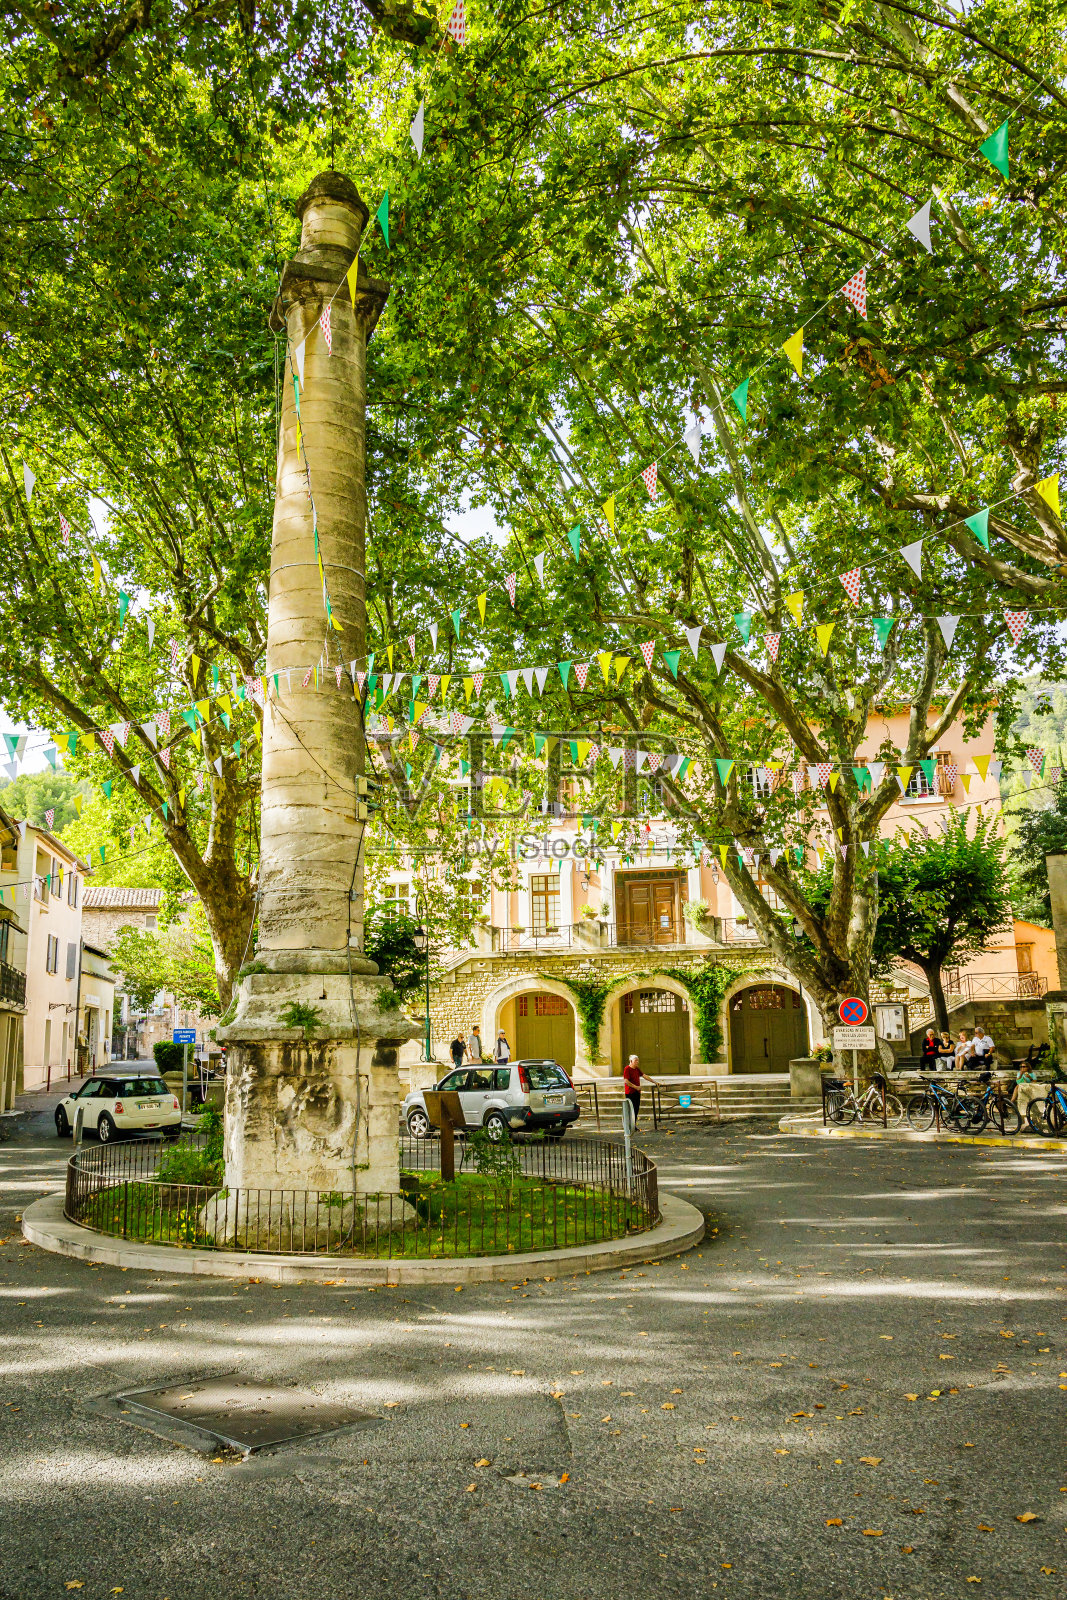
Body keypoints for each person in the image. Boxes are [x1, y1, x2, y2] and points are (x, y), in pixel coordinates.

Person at [623, 1053, 653, 1126]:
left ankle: (633, 1125)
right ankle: (628, 1125)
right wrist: (635, 1087)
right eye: (635, 1060)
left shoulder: (637, 1069)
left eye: (637, 1060)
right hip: (630, 1092)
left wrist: (654, 1082)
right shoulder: (627, 1069)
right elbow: (626, 1081)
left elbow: (644, 1076)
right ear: (631, 1061)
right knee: (631, 1110)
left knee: (636, 1109)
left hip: (637, 1092)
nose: (637, 1062)